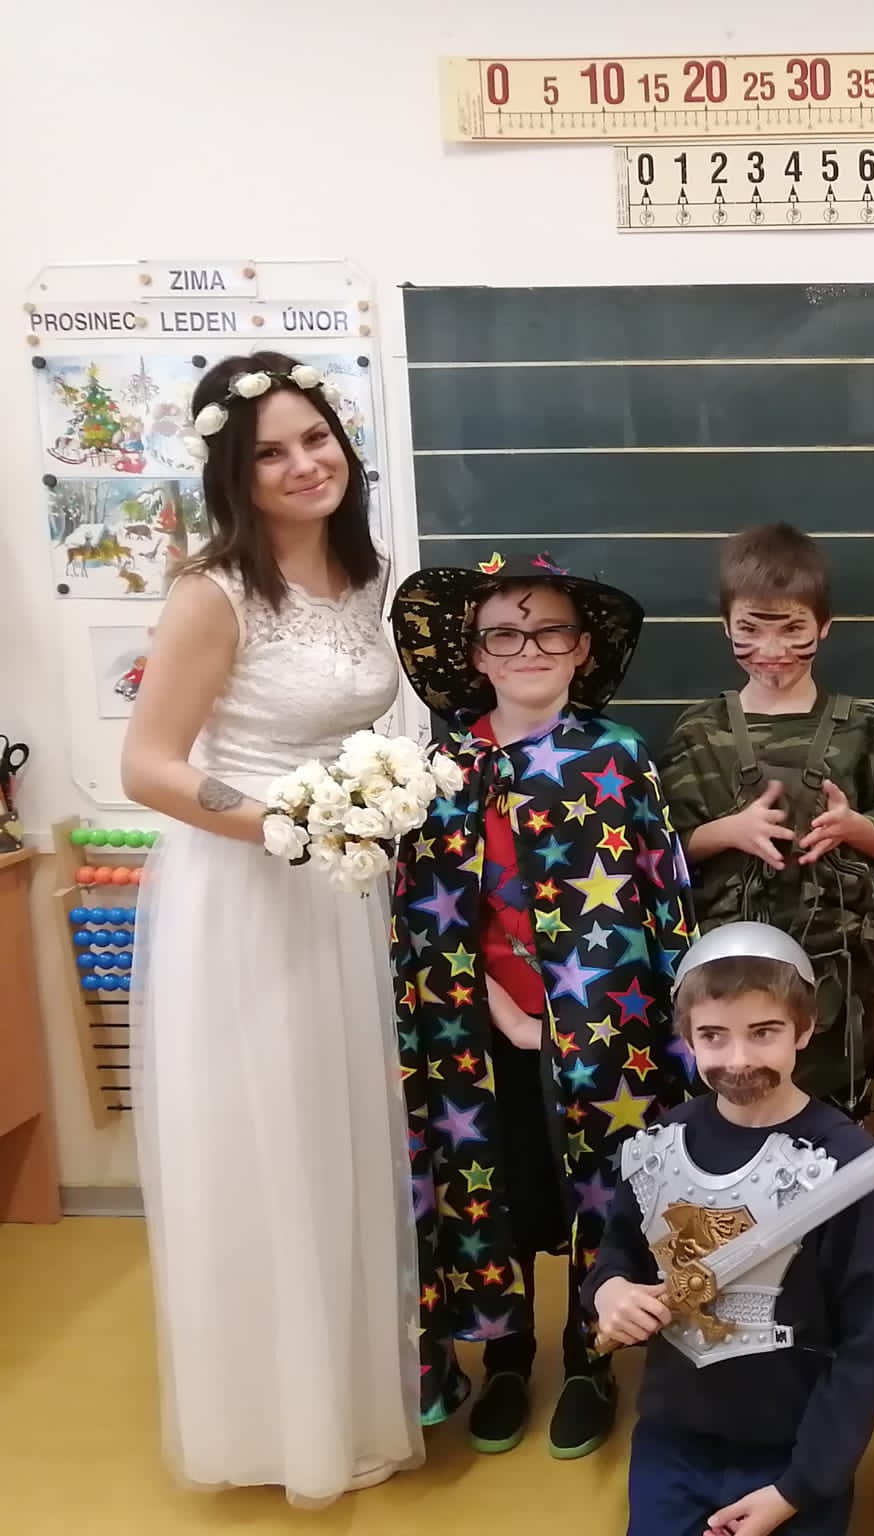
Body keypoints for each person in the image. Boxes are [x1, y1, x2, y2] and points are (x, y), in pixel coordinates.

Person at [124, 351, 422, 1505]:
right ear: (235, 477)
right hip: (243, 893)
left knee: (338, 1136)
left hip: (338, 888)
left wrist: (371, 811)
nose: (304, 465)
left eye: (316, 438)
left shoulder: (368, 576)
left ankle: (348, 1396)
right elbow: (148, 766)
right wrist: (283, 828)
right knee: (264, 1147)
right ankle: (267, 1427)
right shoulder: (214, 592)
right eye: (271, 453)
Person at [389, 550, 698, 1458]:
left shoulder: (619, 757)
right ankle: (507, 1351)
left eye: (550, 631)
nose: (528, 649)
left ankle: (590, 1350)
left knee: (598, 1182)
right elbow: (422, 913)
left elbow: (661, 898)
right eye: (504, 635)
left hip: (605, 1032)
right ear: (473, 654)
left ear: (582, 648)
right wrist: (497, 1005)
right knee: (499, 1181)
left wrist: (677, 1027)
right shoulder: (438, 769)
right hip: (471, 1031)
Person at [587, 923, 874, 1536]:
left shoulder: (843, 1163)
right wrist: (609, 1292)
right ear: (687, 1037)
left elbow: (865, 1344)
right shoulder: (659, 1146)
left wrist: (798, 1487)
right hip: (675, 1438)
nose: (738, 1060)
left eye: (763, 1032)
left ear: (804, 1028)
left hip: (792, 1449)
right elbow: (617, 1255)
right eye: (713, 1036)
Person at [658, 523, 874, 1119]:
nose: (771, 649)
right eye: (751, 629)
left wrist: (851, 826)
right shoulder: (700, 731)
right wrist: (732, 831)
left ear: (823, 626)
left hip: (838, 972)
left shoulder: (862, 726)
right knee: (736, 1105)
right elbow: (665, 852)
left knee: (836, 1114)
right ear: (725, 628)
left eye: (792, 629)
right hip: (729, 973)